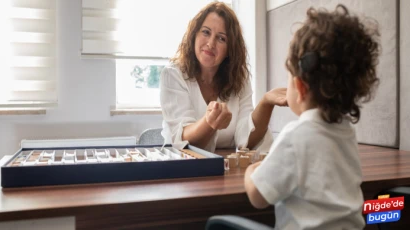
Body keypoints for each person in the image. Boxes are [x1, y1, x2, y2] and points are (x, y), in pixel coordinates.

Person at [244, 4, 380, 230]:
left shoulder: (296, 135)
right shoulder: (346, 132)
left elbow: (258, 197)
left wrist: (251, 170)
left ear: (300, 87)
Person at [160, 2, 287, 152]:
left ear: (229, 49)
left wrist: (266, 103)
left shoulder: (239, 78)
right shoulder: (173, 74)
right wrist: (209, 123)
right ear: (194, 35)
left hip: (227, 170)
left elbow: (245, 139)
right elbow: (182, 138)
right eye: (206, 32)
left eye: (221, 38)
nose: (210, 43)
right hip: (183, 168)